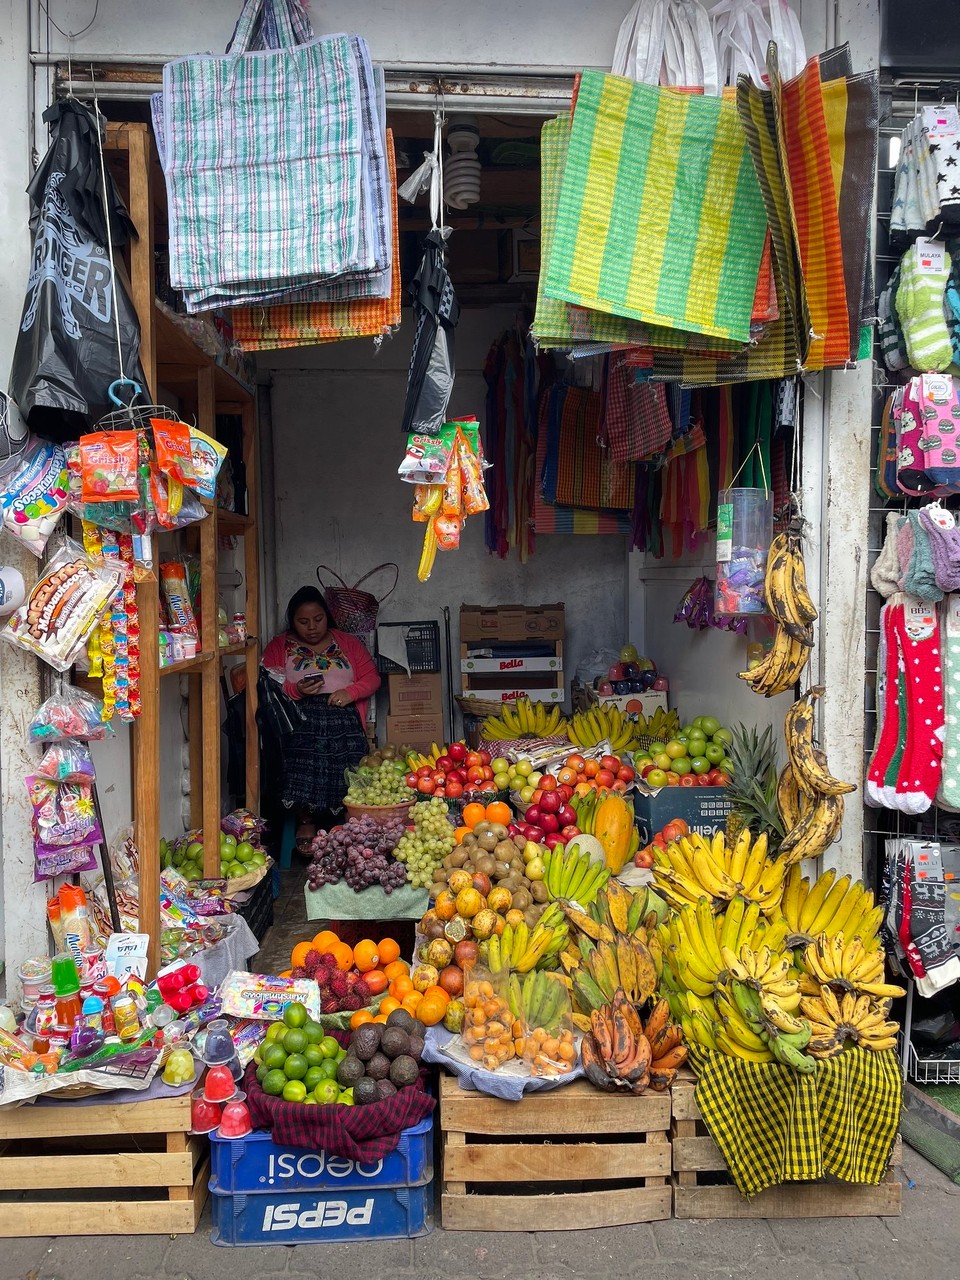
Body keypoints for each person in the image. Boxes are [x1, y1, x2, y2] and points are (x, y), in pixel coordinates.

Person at [262, 586, 380, 852]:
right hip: (300, 722)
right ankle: (306, 819)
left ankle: (345, 821)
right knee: (301, 750)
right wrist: (296, 690)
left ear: (328, 617)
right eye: (303, 622)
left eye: (318, 619)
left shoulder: (348, 642)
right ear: (292, 621)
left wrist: (349, 692)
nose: (312, 627)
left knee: (347, 760)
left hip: (342, 719)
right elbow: (267, 685)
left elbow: (372, 678)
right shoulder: (279, 645)